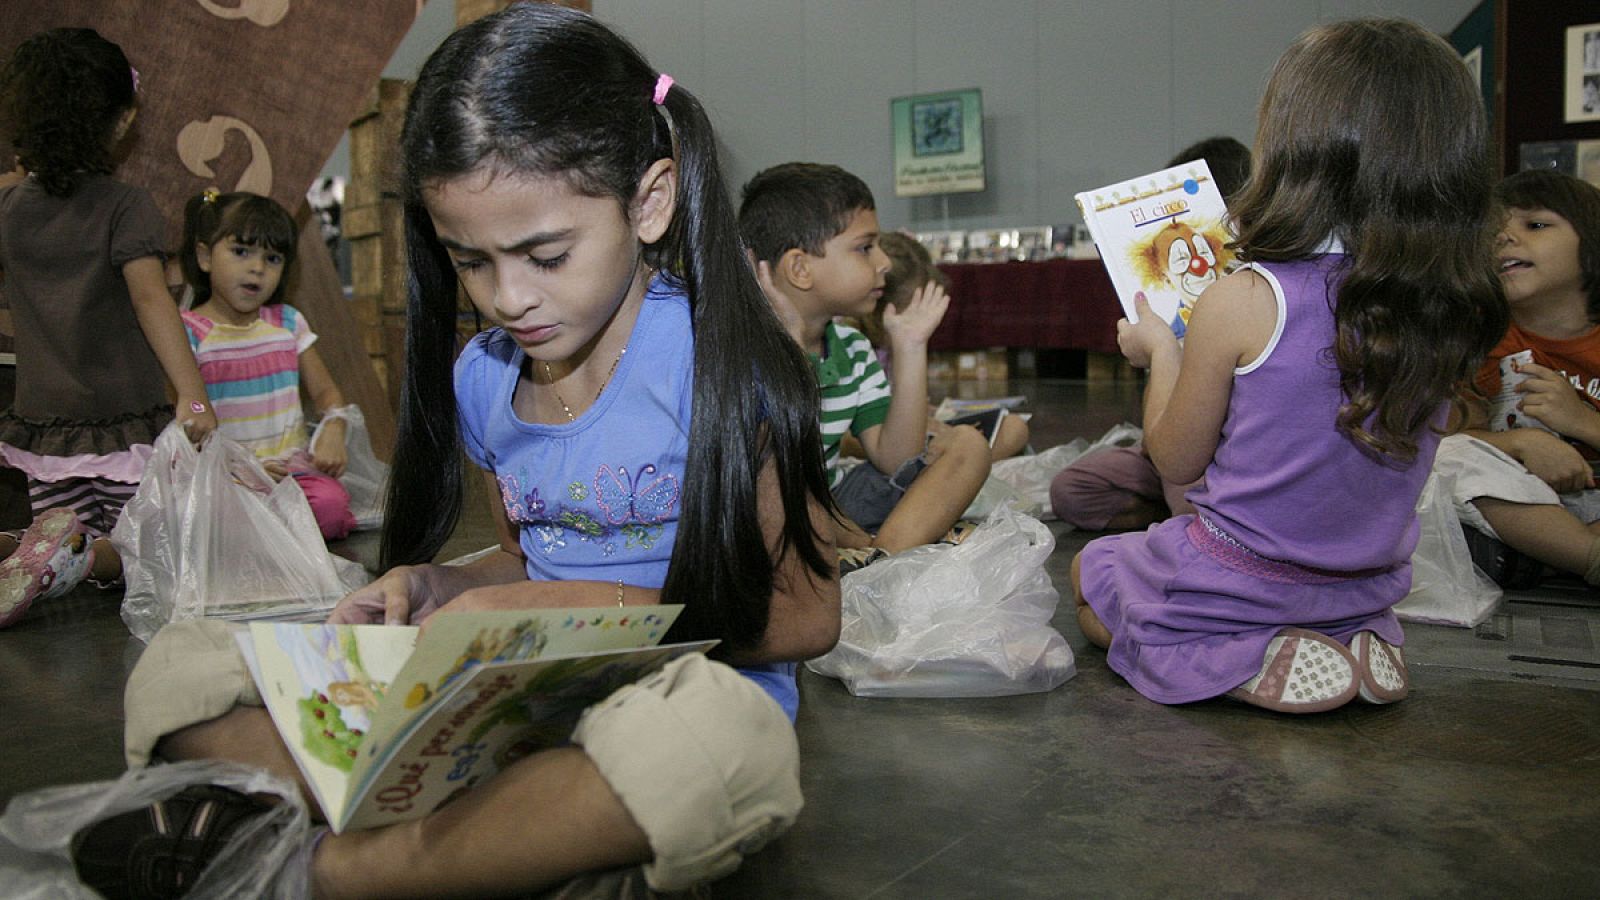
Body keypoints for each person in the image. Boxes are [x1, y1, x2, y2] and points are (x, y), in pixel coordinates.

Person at [80, 6, 840, 898]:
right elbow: (524, 558)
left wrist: (574, 609)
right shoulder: (484, 378)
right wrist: (444, 587)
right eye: (469, 262)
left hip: (670, 699)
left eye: (545, 254)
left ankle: (340, 866)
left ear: (649, 203)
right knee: (182, 670)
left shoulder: (734, 367)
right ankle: (487, 845)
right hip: (514, 707)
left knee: (719, 750)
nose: (507, 297)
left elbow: (805, 620)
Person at [1072, 18, 1506, 714]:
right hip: (1367, 584)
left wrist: (1162, 354)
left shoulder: (1243, 299)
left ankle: (1246, 661)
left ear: (1295, 146)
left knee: (1093, 578)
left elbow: (1175, 458)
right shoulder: (1449, 311)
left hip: (1241, 577)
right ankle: (1359, 643)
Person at [0, 28, 216, 628]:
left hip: (43, 427)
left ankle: (34, 550)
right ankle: (69, 560)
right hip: (123, 423)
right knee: (154, 550)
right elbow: (152, 300)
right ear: (120, 122)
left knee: (70, 526)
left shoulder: (12, 209)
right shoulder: (125, 205)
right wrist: (193, 396)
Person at [738, 162, 991, 565]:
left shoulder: (852, 347)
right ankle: (873, 553)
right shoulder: (740, 352)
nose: (884, 262)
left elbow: (894, 458)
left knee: (967, 446)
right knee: (779, 488)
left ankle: (877, 560)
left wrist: (909, 347)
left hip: (834, 501)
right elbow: (771, 479)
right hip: (770, 511)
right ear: (800, 269)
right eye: (865, 247)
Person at [1049, 135, 1251, 531]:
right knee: (1072, 490)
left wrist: (1163, 354)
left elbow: (1182, 449)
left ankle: (1193, 528)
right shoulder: (1173, 305)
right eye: (1179, 258)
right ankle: (1181, 518)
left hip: (1219, 445)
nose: (1194, 265)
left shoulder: (1250, 296)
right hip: (1168, 439)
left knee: (1183, 475)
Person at [1432, 170, 1600, 588]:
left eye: (1536, 225)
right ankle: (1583, 555)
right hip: (1531, 506)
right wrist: (1523, 443)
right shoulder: (1477, 338)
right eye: (1493, 232)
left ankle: (1547, 559)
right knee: (1448, 458)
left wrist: (1582, 422)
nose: (1505, 238)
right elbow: (1442, 440)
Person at [179, 190, 357, 541]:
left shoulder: (287, 323)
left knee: (331, 507)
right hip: (225, 476)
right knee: (201, 519)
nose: (257, 268)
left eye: (272, 258)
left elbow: (324, 391)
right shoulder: (187, 331)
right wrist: (232, 465)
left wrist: (335, 427)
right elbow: (189, 408)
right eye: (241, 251)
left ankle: (268, 536)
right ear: (204, 257)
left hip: (290, 472)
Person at [852, 231, 1031, 461]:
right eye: (914, 308)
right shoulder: (855, 347)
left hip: (911, 438)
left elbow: (906, 405)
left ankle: (958, 467)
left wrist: (931, 418)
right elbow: (853, 438)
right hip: (889, 446)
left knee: (1013, 429)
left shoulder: (893, 349)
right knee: (964, 447)